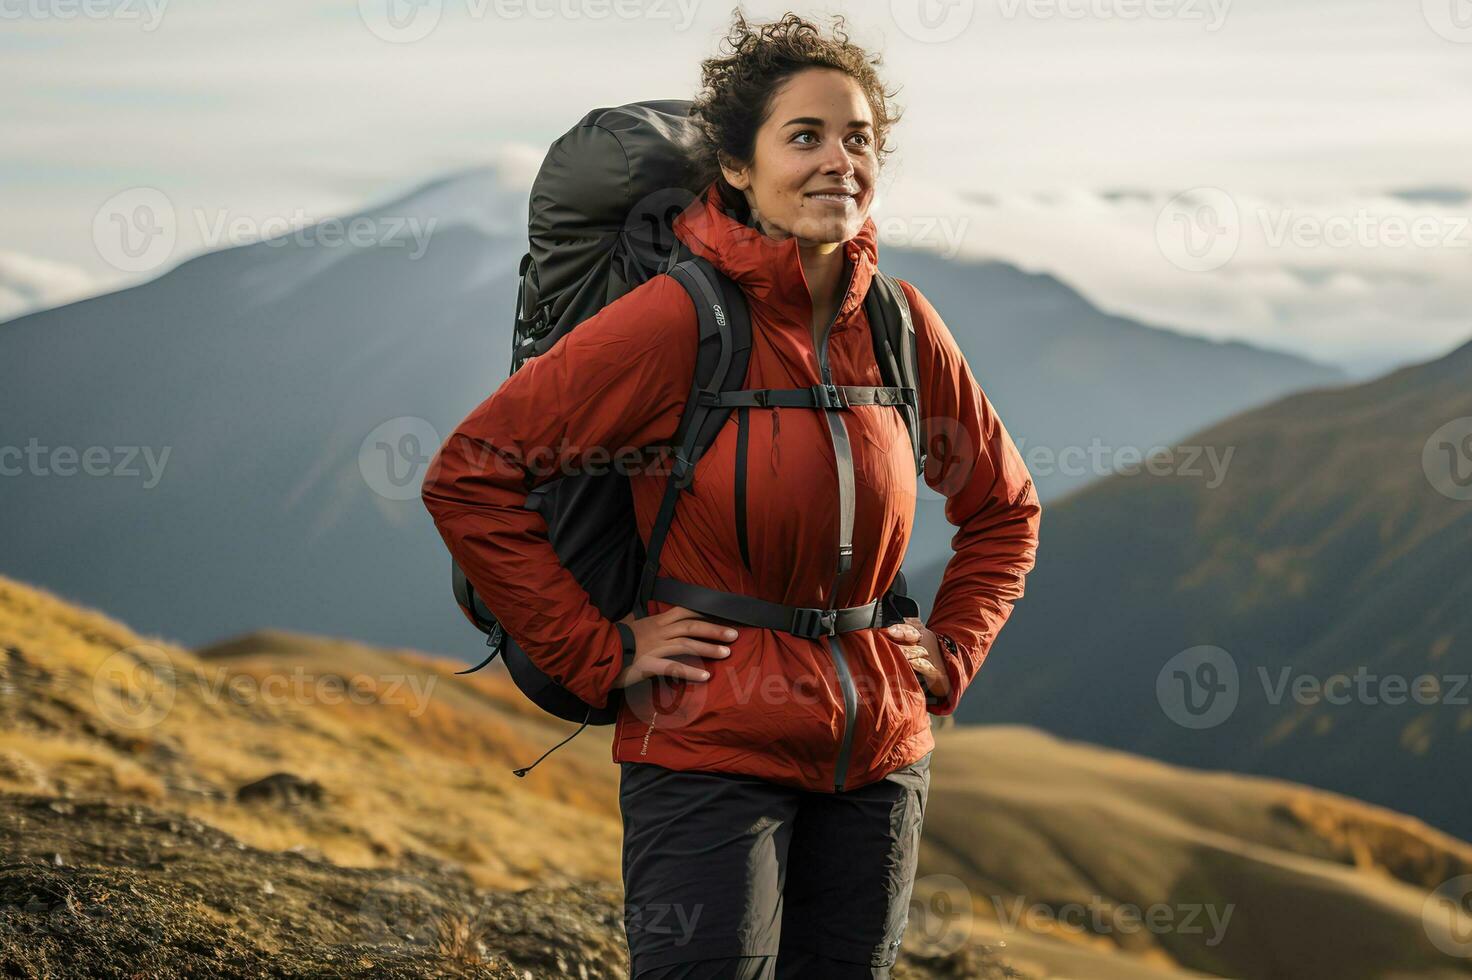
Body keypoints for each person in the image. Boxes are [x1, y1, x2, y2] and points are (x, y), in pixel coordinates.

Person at [419, 11, 1041, 979]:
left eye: (859, 138)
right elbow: (471, 473)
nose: (840, 159)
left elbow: (1003, 506)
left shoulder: (900, 320)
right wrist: (598, 649)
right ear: (738, 170)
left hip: (880, 750)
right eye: (805, 136)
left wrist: (953, 647)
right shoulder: (677, 317)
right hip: (705, 747)